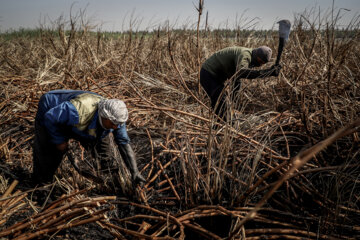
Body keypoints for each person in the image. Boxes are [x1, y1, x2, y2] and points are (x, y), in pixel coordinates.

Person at [32, 89, 146, 185]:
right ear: (104, 117)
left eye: (118, 124)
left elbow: (124, 143)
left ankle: (109, 183)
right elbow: (50, 118)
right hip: (52, 111)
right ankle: (41, 185)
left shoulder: (117, 118)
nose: (116, 127)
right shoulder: (79, 110)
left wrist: (134, 172)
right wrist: (59, 141)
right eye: (113, 124)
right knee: (50, 152)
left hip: (80, 122)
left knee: (104, 153)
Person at [200, 46, 282, 119]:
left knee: (221, 103)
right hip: (208, 74)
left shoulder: (249, 58)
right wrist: (267, 72)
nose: (259, 65)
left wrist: (233, 100)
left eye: (262, 63)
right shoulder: (245, 55)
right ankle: (226, 127)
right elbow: (242, 72)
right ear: (256, 55)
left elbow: (236, 78)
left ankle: (219, 127)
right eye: (259, 61)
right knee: (222, 102)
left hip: (215, 77)